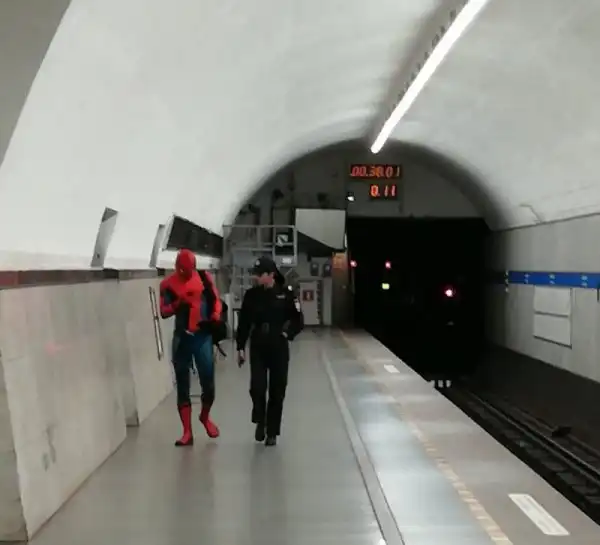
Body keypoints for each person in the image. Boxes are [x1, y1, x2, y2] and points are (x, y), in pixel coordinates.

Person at [236, 256, 304, 446]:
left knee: (277, 390)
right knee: (257, 388)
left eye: (260, 274)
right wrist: (240, 347)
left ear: (271, 275)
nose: (256, 277)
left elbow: (298, 320)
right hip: (258, 344)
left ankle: (272, 431)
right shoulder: (251, 295)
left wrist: (287, 333)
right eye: (255, 274)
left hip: (278, 345)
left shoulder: (286, 294)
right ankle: (261, 419)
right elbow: (244, 323)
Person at [159, 249, 222, 446]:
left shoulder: (204, 278)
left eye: (190, 269)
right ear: (177, 267)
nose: (187, 272)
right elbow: (163, 311)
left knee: (208, 382)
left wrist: (215, 316)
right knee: (182, 383)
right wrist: (178, 303)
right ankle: (187, 431)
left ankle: (205, 416)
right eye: (183, 269)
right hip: (182, 337)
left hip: (202, 336)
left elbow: (216, 300)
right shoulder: (168, 284)